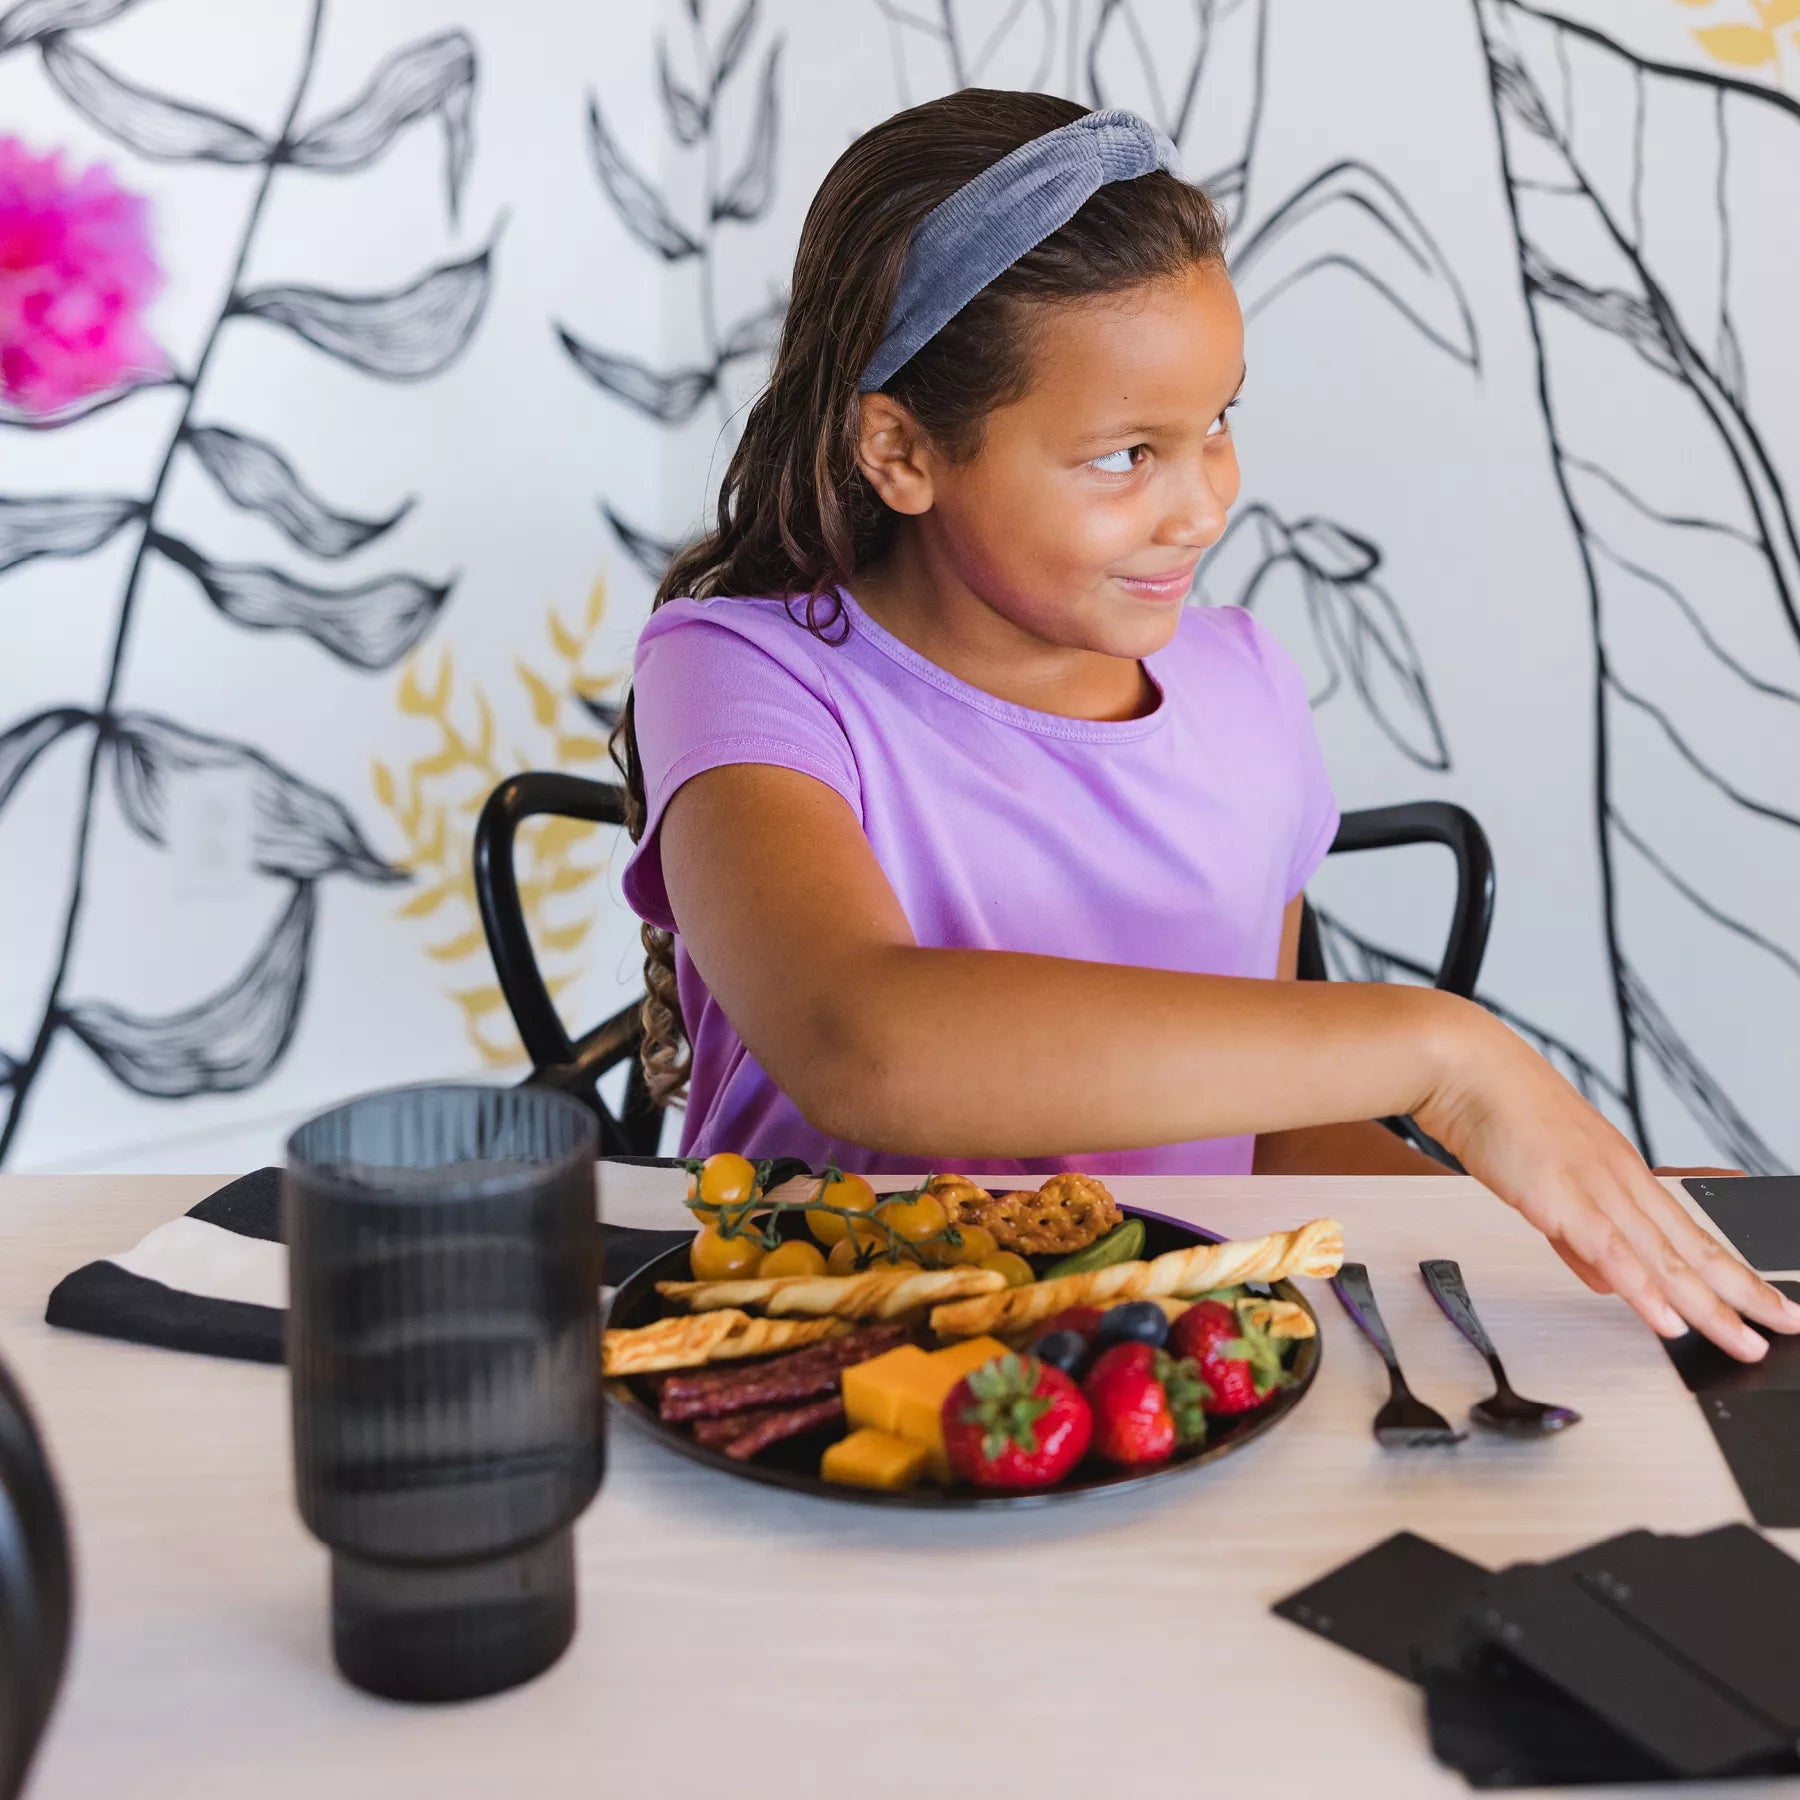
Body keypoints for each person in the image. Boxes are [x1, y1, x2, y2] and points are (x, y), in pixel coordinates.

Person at [615, 89, 1792, 1363]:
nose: (1204, 507)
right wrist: (1447, 1052)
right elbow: (861, 1041)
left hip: (1169, 1381)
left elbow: (1259, 1138)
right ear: (901, 450)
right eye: (1126, 454)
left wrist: (1557, 1223)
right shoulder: (741, 674)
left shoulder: (1245, 686)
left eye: (1219, 421)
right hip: (815, 1381)